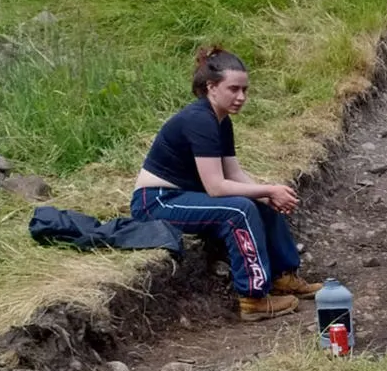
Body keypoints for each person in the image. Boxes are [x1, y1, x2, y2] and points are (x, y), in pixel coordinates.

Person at [132, 47, 322, 322]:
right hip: (156, 202)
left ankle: (283, 276)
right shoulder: (200, 120)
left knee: (260, 202)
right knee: (239, 210)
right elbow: (217, 188)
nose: (241, 97)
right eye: (233, 89)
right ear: (211, 87)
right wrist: (267, 190)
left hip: (184, 195)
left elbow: (233, 173)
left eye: (245, 90)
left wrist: (267, 194)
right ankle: (253, 298)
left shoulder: (220, 120)